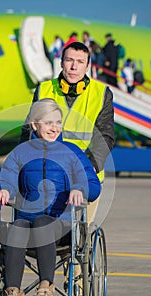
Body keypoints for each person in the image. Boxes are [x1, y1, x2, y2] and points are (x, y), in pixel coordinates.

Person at [0, 98, 101, 296]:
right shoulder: (21, 152)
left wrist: (80, 189)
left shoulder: (71, 151)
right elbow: (6, 177)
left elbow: (92, 182)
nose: (55, 128)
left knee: (42, 222)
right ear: (34, 124)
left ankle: (46, 288)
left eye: (58, 122)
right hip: (26, 223)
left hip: (61, 226)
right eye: (48, 123)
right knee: (16, 227)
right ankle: (12, 294)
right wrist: (4, 189)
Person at [20, 41, 115, 224]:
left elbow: (105, 136)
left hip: (85, 174)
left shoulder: (101, 93)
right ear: (61, 62)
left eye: (80, 62)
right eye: (69, 60)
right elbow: (28, 130)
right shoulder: (44, 89)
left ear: (87, 66)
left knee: (79, 236)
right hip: (46, 171)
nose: (73, 66)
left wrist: (87, 168)